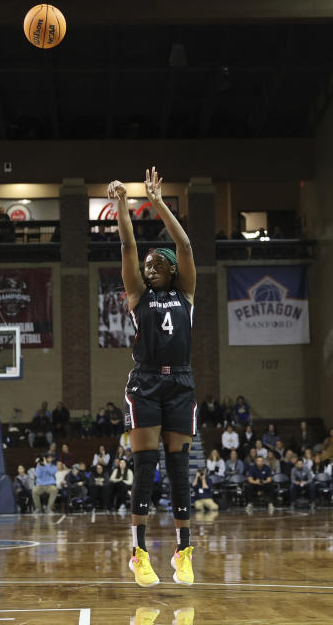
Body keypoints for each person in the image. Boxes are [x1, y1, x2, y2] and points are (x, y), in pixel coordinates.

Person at [111, 167, 196, 588]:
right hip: (145, 382)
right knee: (145, 467)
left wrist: (157, 202)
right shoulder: (137, 296)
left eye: (152, 264)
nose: (146, 269)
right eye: (143, 267)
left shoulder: (186, 293)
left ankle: (183, 551)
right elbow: (127, 244)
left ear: (168, 267)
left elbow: (183, 243)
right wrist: (122, 205)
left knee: (179, 470)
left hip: (181, 382)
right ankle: (139, 552)